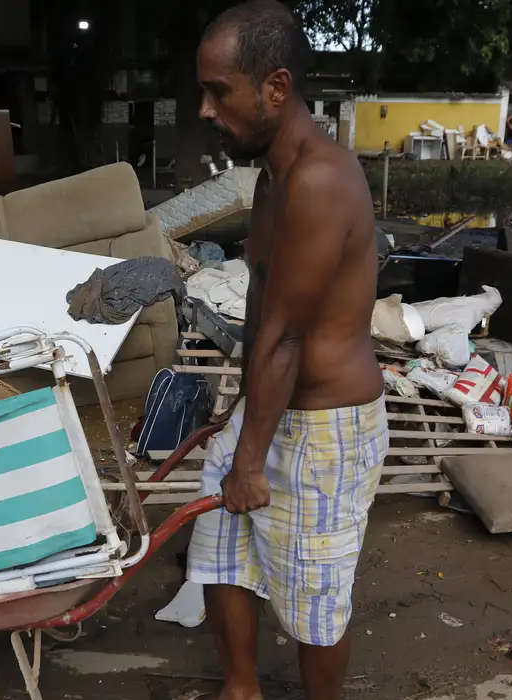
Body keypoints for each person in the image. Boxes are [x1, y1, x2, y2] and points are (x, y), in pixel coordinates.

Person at [186, 2, 388, 699]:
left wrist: (251, 458)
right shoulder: (274, 175)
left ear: (274, 87)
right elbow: (261, 303)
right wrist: (241, 417)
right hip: (273, 406)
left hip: (327, 427)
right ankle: (241, 689)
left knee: (313, 597)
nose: (207, 110)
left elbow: (291, 334)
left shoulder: (319, 178)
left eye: (220, 91)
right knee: (220, 555)